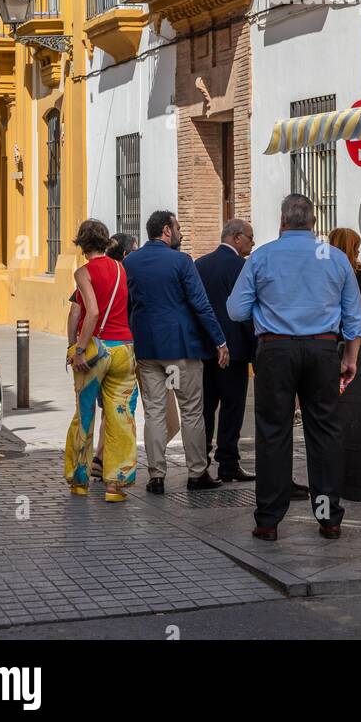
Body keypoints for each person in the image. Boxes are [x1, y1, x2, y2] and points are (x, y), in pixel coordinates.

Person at [227, 193, 361, 542]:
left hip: (275, 350)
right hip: (322, 349)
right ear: (314, 223)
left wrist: (266, 307)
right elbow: (353, 316)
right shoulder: (335, 258)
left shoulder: (262, 257)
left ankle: (269, 520)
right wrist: (350, 357)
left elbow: (236, 310)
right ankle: (328, 517)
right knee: (324, 432)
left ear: (282, 222)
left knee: (274, 432)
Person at [124, 210, 228, 494]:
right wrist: (219, 341)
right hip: (181, 348)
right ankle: (197, 473)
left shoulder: (130, 261)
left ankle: (156, 476)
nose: (181, 234)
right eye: (178, 228)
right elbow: (200, 304)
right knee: (192, 411)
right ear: (167, 231)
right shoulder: (181, 261)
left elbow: (129, 304)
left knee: (155, 412)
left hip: (146, 348)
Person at [65, 219, 138, 503]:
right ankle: (115, 486)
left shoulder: (83, 272)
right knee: (121, 416)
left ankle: (79, 481)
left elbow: (89, 312)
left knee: (85, 415)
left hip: (97, 350)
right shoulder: (121, 268)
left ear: (81, 244)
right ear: (106, 242)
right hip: (125, 349)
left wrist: (78, 349)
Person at [195, 220, 257, 483]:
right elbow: (246, 312)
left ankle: (201, 463)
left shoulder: (200, 265)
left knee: (206, 408)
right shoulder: (242, 268)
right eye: (251, 238)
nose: (253, 243)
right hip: (235, 351)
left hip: (206, 350)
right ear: (237, 238)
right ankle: (228, 463)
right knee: (232, 409)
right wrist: (254, 349)